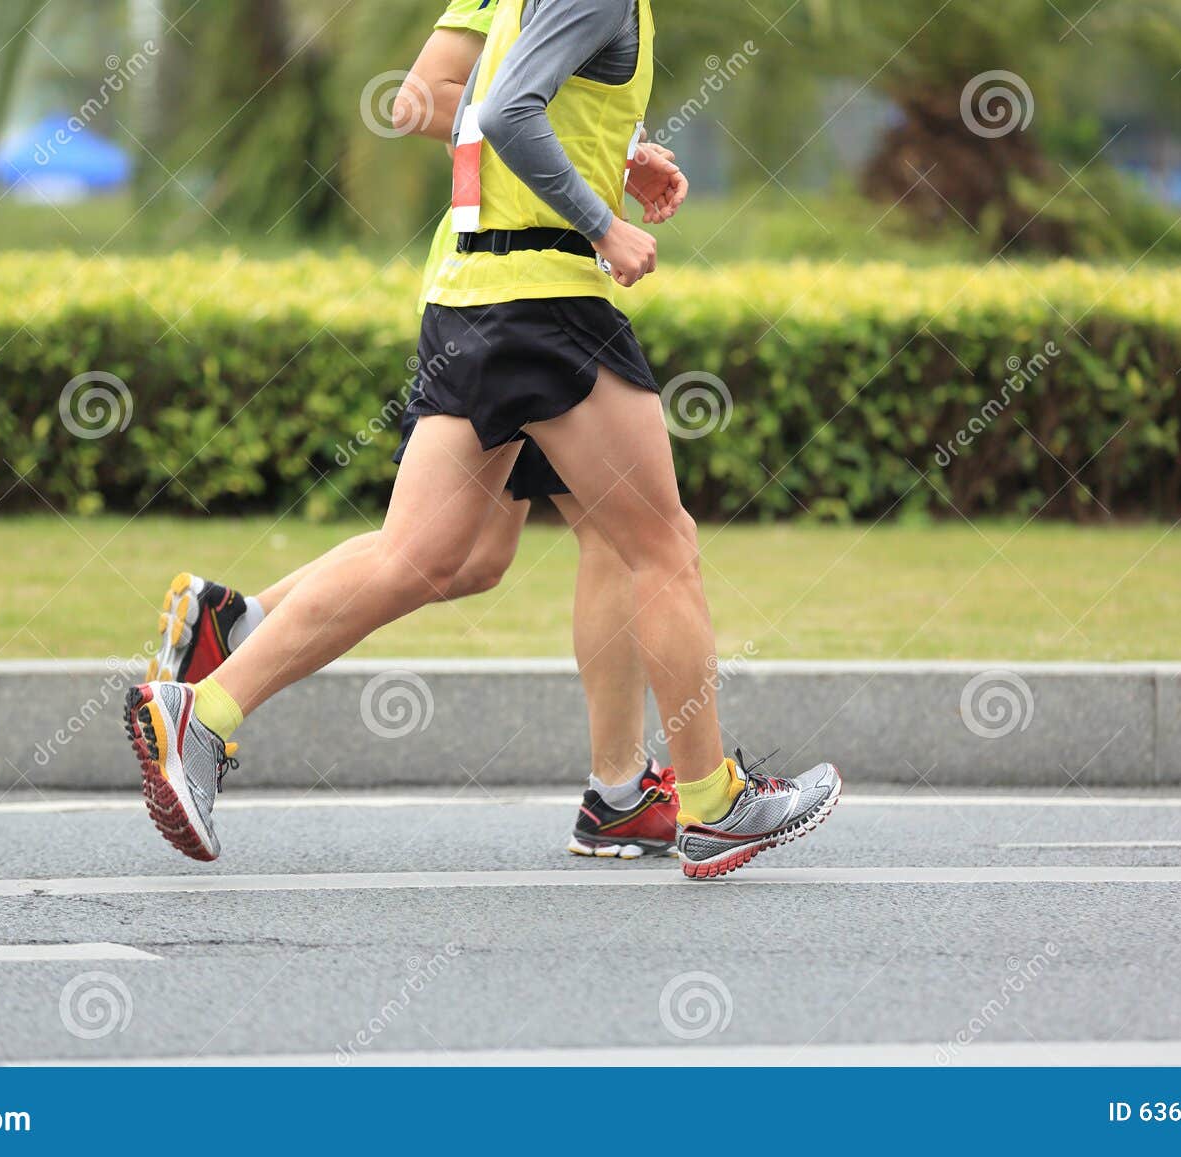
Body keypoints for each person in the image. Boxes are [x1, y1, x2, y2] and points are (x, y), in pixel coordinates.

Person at [123, 0, 843, 879]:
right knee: (664, 546)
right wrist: (600, 220)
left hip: (482, 295)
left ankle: (206, 711)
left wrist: (611, 163)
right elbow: (497, 109)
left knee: (424, 556)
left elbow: (498, 100)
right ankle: (714, 803)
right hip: (546, 302)